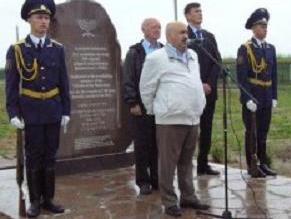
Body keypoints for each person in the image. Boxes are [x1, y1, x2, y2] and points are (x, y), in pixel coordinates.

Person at [5, 0, 71, 217]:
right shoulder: (17, 50)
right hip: (31, 112)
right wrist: (13, 113)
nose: (43, 22)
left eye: (46, 18)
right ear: (29, 20)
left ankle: (48, 199)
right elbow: (12, 86)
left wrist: (66, 111)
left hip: (52, 110)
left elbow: (64, 83)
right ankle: (34, 201)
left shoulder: (57, 49)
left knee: (50, 156)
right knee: (34, 157)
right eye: (39, 18)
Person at [140, 21, 209, 217]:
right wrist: (155, 110)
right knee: (168, 164)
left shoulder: (193, 55)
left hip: (192, 117)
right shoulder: (156, 58)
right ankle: (170, 201)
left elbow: (194, 82)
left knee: (187, 162)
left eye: (186, 32)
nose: (185, 35)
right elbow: (146, 88)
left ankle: (188, 196)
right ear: (169, 36)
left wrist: (200, 104)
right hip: (170, 120)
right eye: (181, 32)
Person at [123, 18, 162, 195]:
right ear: (143, 30)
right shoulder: (135, 52)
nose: (157, 30)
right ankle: (143, 181)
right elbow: (128, 79)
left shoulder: (164, 50)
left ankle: (156, 178)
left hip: (160, 105)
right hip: (141, 106)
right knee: (142, 145)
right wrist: (132, 102)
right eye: (153, 27)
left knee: (157, 144)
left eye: (159, 27)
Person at [236, 8, 277, 177]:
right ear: (253, 28)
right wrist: (247, 99)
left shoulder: (270, 48)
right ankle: (252, 165)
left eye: (265, 26)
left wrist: (274, 96)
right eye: (261, 26)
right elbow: (242, 77)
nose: (264, 29)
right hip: (253, 96)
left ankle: (263, 162)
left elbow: (273, 75)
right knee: (251, 132)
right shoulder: (245, 49)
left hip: (266, 96)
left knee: (263, 132)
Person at [184, 2, 221, 175]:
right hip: (191, 92)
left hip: (209, 91)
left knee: (207, 129)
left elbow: (217, 62)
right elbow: (182, 64)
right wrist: (199, 84)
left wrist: (210, 84)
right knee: (189, 131)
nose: (200, 14)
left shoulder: (209, 36)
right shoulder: (183, 35)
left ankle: (203, 164)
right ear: (187, 16)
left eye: (201, 11)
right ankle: (185, 166)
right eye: (196, 11)